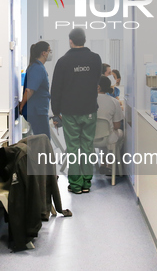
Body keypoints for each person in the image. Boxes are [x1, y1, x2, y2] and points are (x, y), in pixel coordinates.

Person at [51, 28, 101, 194]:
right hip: (89, 109)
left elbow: (56, 88)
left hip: (70, 111)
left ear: (70, 41)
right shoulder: (95, 59)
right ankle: (87, 182)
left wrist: (56, 111)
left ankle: (75, 184)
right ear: (84, 40)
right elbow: (96, 80)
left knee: (73, 147)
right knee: (87, 146)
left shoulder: (63, 61)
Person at [19, 41, 52, 139]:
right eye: (49, 51)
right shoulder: (37, 68)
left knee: (42, 139)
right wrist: (22, 105)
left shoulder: (37, 67)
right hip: (37, 111)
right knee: (43, 140)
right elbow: (29, 90)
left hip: (38, 110)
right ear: (44, 53)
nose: (50, 54)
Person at [96, 76, 124, 174]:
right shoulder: (114, 102)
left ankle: (103, 163)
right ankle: (111, 164)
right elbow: (117, 125)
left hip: (89, 138)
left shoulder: (87, 100)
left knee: (100, 132)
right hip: (108, 138)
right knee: (114, 133)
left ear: (98, 87)